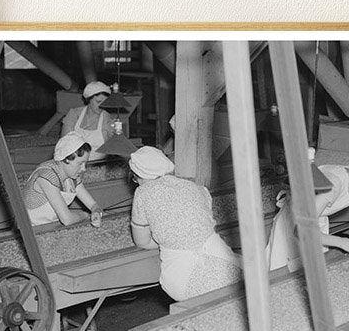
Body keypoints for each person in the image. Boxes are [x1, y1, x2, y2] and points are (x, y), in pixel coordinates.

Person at [127, 146, 242, 302]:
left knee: (201, 302)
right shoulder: (194, 186)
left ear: (140, 176)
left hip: (184, 273)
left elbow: (142, 242)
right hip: (223, 261)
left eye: (135, 178)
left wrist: (167, 238)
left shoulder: (143, 192)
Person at [266, 154, 349, 271]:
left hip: (317, 220)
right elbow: (301, 230)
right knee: (284, 274)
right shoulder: (334, 185)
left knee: (316, 269)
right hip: (294, 222)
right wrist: (341, 242)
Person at [21, 131, 104, 228]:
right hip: (29, 229)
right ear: (67, 159)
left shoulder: (72, 177)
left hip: (50, 226)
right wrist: (86, 215)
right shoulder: (47, 177)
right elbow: (67, 220)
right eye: (80, 163)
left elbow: (93, 205)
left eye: (85, 163)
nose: (83, 169)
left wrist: (96, 212)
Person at [61, 80, 114, 155]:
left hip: (98, 163)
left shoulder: (107, 118)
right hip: (74, 162)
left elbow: (111, 148)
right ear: (88, 100)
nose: (102, 105)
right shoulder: (74, 114)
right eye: (98, 101)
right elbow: (64, 144)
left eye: (105, 102)